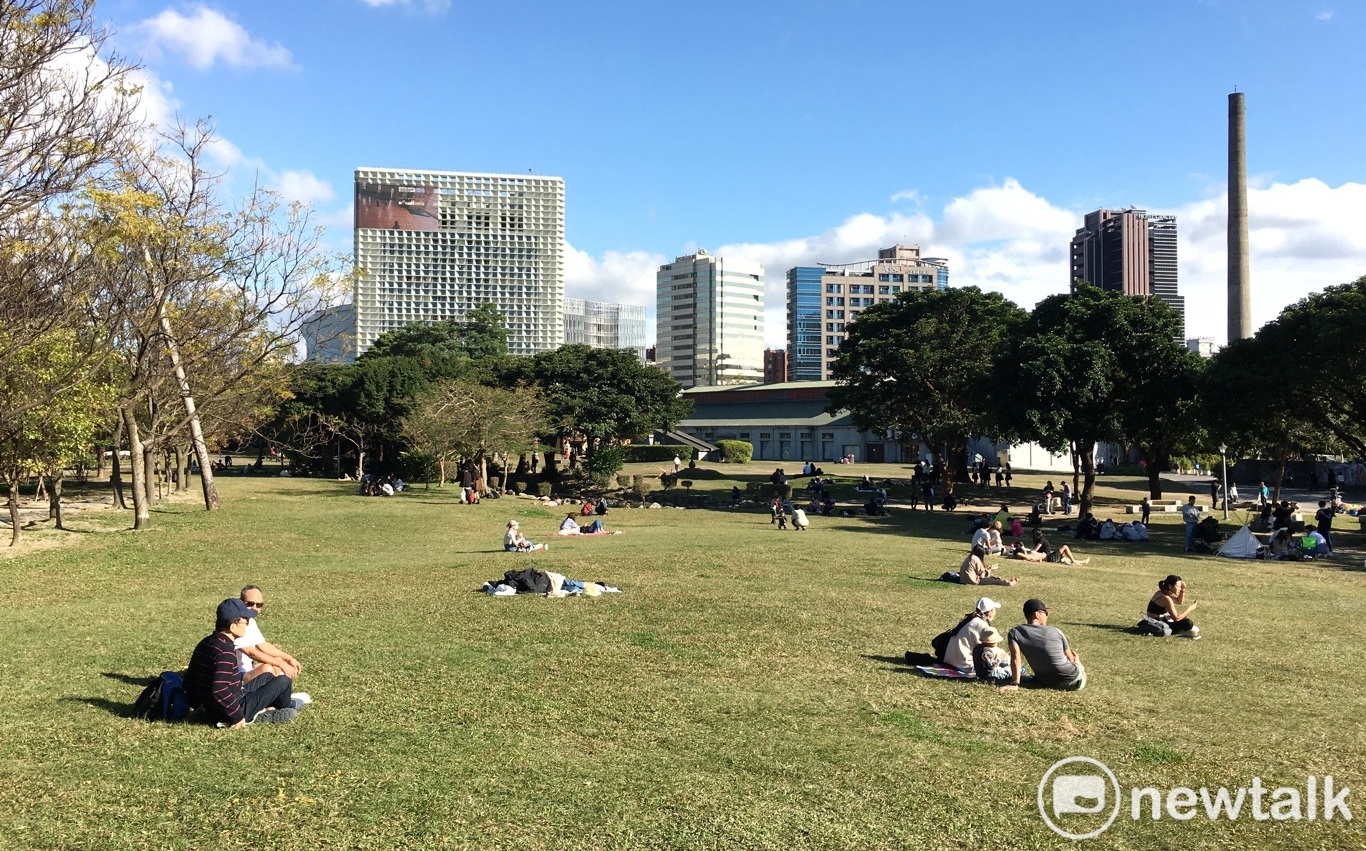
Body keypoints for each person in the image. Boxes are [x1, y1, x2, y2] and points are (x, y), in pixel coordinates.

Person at [184, 599, 298, 726]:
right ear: (232, 626)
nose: (247, 626)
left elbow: (189, 679)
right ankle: (278, 709)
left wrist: (199, 705)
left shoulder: (207, 642)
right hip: (233, 709)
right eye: (246, 622)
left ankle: (269, 706)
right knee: (283, 681)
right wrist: (237, 716)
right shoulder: (225, 651)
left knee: (268, 677)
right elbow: (219, 689)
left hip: (217, 703)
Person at [1004, 599, 1086, 691]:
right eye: (1045, 613)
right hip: (1074, 681)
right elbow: (1071, 658)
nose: (1047, 616)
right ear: (1037, 614)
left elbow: (1015, 657)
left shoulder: (1015, 633)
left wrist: (1015, 683)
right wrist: (1077, 662)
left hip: (1046, 682)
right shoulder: (1056, 631)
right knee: (1077, 661)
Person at [235, 585, 304, 689]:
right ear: (241, 602)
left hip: (247, 671)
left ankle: (273, 696)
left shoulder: (250, 621)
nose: (254, 608)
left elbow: (262, 645)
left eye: (259, 605)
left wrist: (288, 659)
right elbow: (251, 653)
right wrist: (281, 665)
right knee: (268, 669)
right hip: (236, 678)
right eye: (250, 604)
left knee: (278, 661)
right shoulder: (236, 624)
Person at [943, 597, 1002, 673]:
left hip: (950, 661)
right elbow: (989, 649)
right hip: (963, 665)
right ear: (989, 612)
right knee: (1003, 663)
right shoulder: (981, 625)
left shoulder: (972, 620)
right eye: (994, 609)